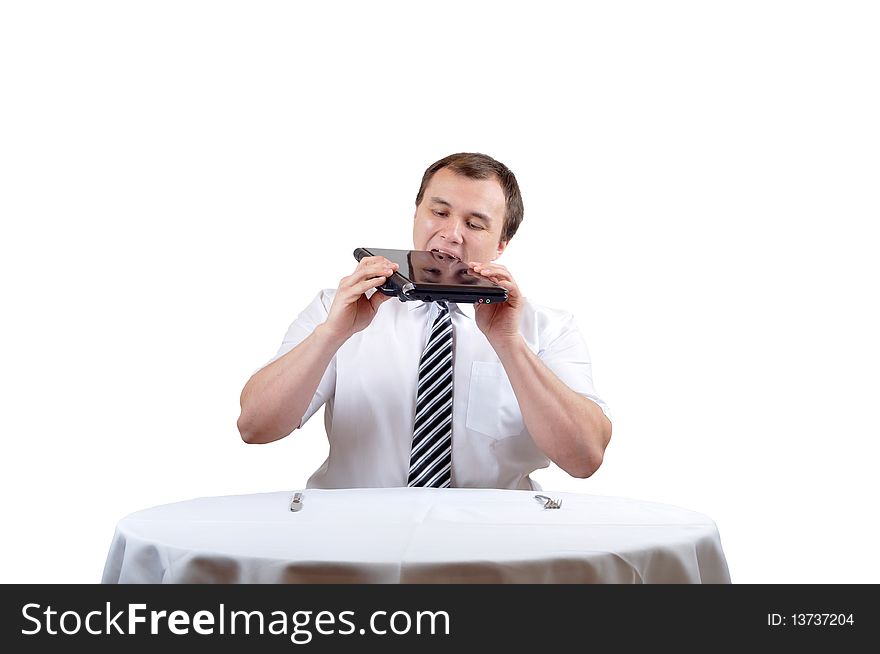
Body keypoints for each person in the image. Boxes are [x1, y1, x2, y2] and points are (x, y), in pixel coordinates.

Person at [237, 152, 612, 490]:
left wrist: (510, 344)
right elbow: (255, 427)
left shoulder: (549, 329)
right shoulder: (336, 308)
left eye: (476, 224)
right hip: (353, 542)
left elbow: (584, 458)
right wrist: (332, 335)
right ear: (416, 214)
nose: (451, 234)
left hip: (492, 547)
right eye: (439, 212)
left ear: (502, 244)